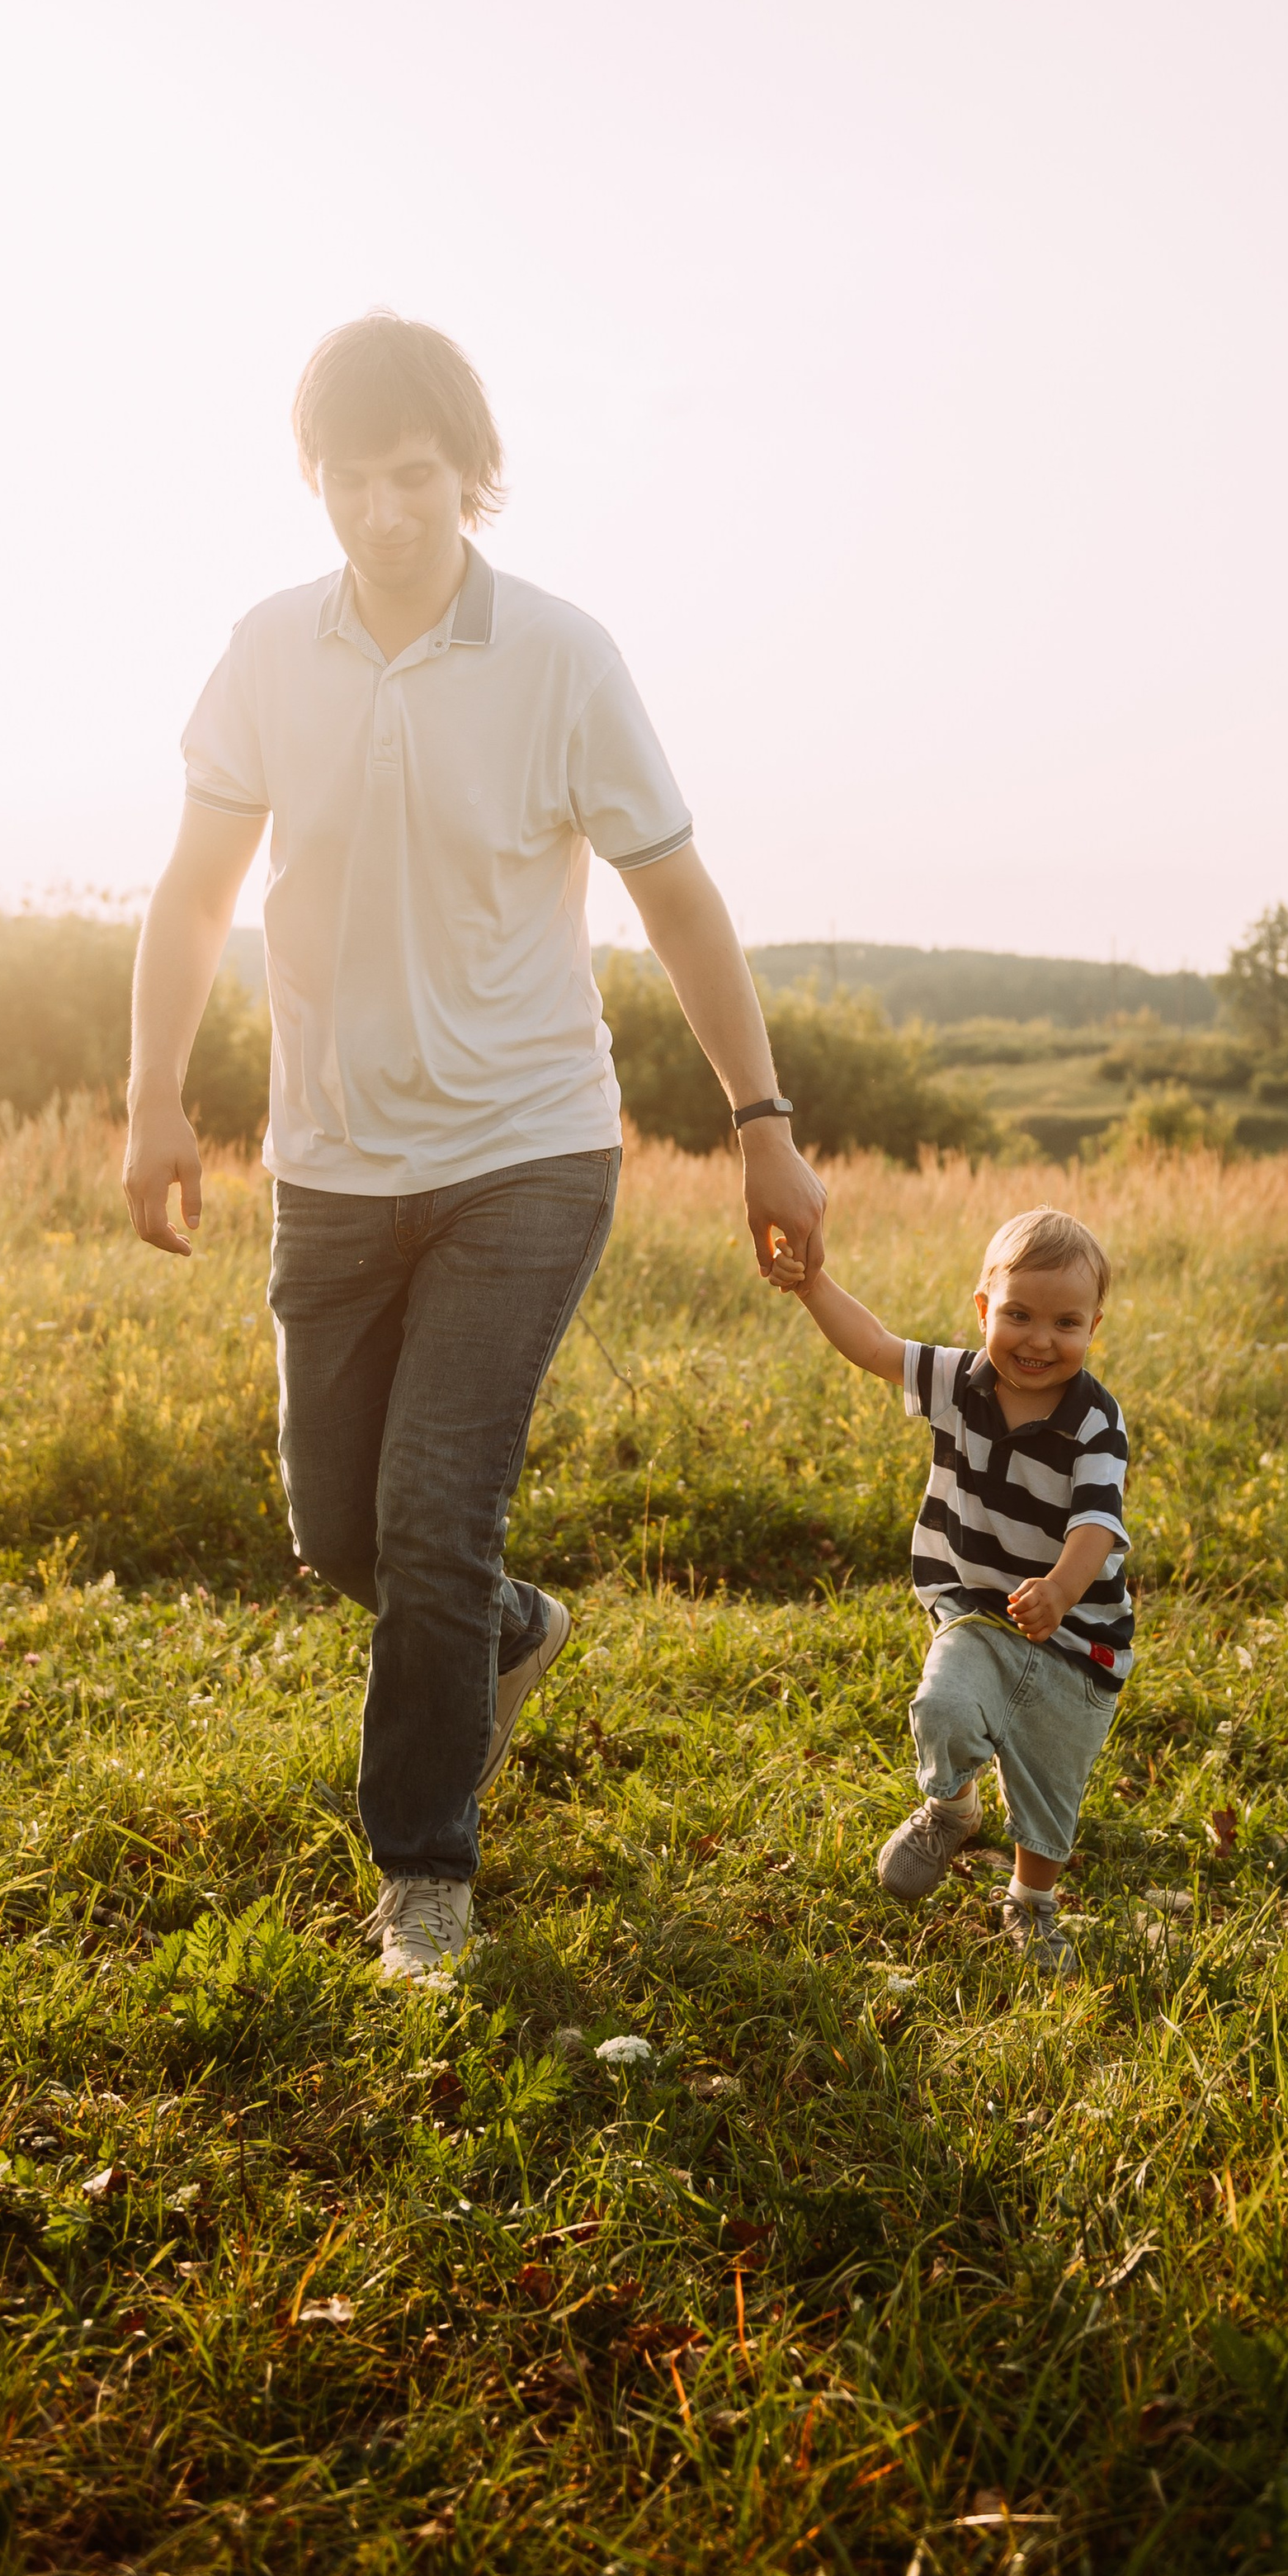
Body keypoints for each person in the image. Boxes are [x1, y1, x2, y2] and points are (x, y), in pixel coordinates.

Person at [123, 312, 826, 1982]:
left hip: (527, 1149)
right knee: (346, 1537)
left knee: (434, 1517)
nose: (385, 510)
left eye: (416, 476)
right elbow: (192, 892)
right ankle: (511, 1635)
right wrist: (153, 1094)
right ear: (315, 484)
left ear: (470, 479)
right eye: (352, 480)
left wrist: (760, 1124)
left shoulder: (561, 658)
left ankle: (423, 1872)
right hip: (331, 1158)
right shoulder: (264, 653)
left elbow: (676, 902)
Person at [771, 1203, 1129, 1970]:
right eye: (1019, 1314)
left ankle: (1033, 1904)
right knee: (942, 1705)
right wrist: (813, 1284)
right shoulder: (957, 1380)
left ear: (1094, 1326)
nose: (1039, 1339)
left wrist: (1063, 1589)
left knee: (1046, 1782)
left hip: (1075, 1637)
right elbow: (872, 1344)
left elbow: (1097, 1526)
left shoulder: (1096, 1421)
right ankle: (952, 1806)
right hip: (975, 1607)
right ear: (982, 1308)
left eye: (1066, 1323)